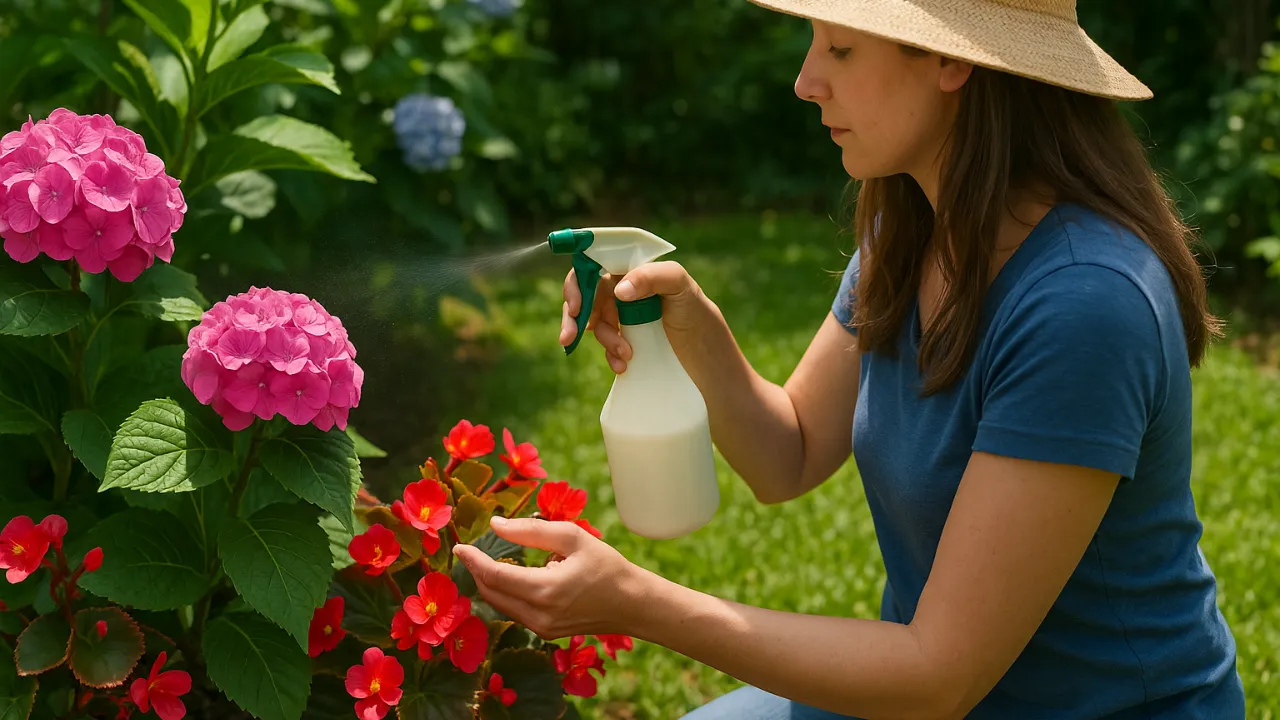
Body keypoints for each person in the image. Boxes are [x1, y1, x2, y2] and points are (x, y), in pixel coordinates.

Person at [451, 0, 1247, 717]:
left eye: (839, 48)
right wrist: (689, 320)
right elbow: (787, 453)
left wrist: (639, 604)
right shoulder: (913, 231)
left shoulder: (1084, 303)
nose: (804, 81)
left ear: (950, 61)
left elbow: (940, 676)